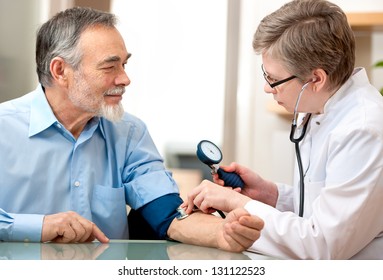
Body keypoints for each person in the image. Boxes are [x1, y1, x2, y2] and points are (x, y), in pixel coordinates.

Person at [0, 6, 264, 253]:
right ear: (60, 71)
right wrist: (38, 227)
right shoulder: (4, 127)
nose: (125, 79)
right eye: (109, 66)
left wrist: (222, 233)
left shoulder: (129, 132)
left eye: (124, 64)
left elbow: (168, 213)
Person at [182, 0, 383, 259]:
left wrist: (236, 203)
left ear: (316, 79)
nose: (267, 88)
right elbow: (321, 207)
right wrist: (270, 194)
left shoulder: (363, 129)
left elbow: (322, 245)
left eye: (274, 79)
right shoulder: (318, 109)